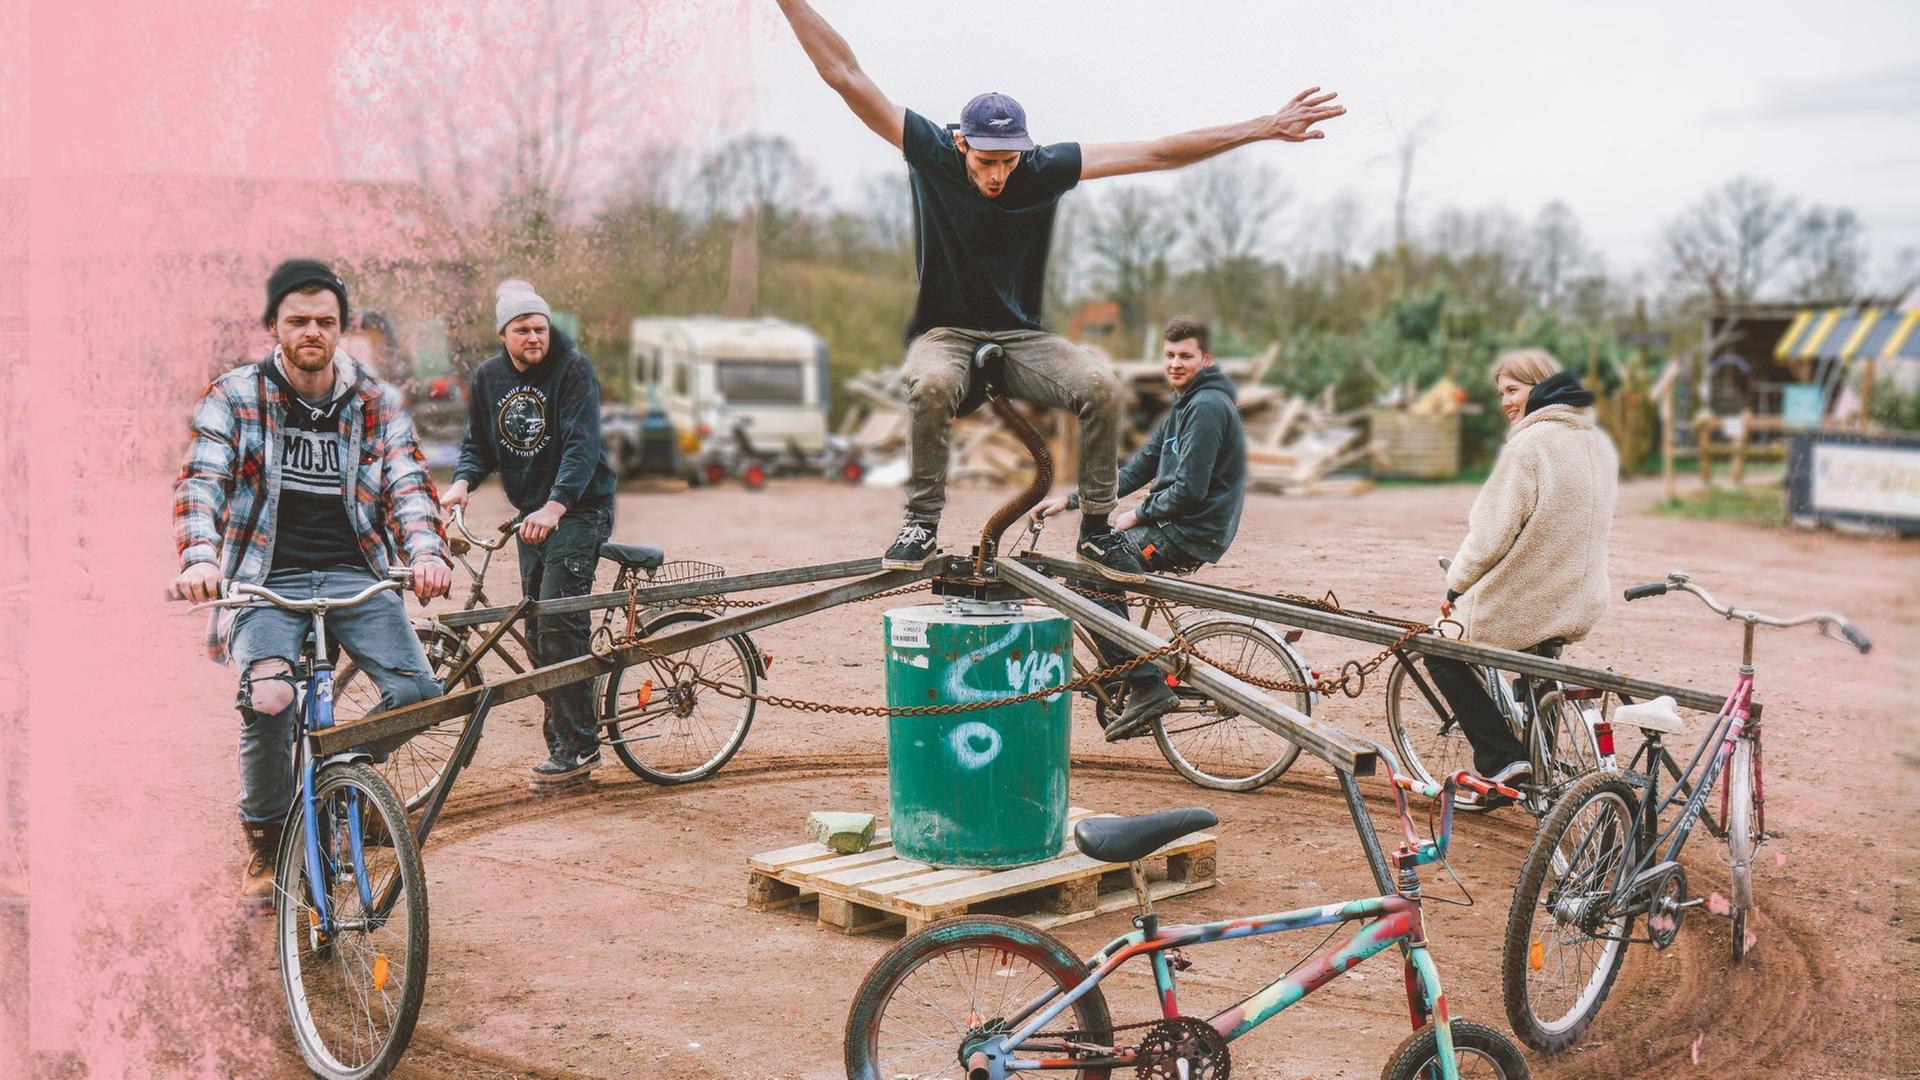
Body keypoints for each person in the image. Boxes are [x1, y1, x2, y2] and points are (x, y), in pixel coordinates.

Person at [773, 0, 1341, 581]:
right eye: (987, 162)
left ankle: (1097, 532)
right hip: (946, 333)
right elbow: (845, 75)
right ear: (962, 145)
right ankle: (921, 521)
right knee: (933, 382)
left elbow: (1158, 152)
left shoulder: (1042, 167)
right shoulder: (929, 150)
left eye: (1009, 162)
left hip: (1021, 337)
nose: (998, 175)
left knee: (1101, 386)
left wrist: (1264, 126)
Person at [170, 259, 454, 911]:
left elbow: (408, 483)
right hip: (265, 576)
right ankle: (269, 841)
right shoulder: (235, 395)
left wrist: (426, 550)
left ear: (341, 330)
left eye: (326, 322)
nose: (312, 332)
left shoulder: (374, 401)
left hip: (357, 573)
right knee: (269, 696)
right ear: (274, 325)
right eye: (298, 320)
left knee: (419, 691)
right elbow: (202, 480)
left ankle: (335, 774)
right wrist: (199, 557)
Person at [1031, 316, 1248, 739]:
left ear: (1206, 359)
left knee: (1090, 577)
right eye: (1169, 356)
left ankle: (1145, 684)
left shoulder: (1206, 408)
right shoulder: (1185, 406)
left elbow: (1189, 490)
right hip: (1177, 523)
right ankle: (1122, 663)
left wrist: (1140, 515)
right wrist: (1071, 501)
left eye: (1186, 356)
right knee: (1096, 566)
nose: (1175, 363)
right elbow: (1136, 468)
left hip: (1187, 530)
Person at [441, 280, 618, 789]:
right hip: (533, 517)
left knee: (561, 624)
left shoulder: (573, 369)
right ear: (504, 333)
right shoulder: (489, 377)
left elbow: (582, 447)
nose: (534, 336)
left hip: (580, 508)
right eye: (523, 329)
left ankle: (580, 748)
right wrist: (460, 484)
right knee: (536, 630)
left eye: (540, 327)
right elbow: (478, 443)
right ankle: (565, 740)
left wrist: (556, 506)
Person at [1429, 348, 1619, 799]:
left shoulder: (1531, 445)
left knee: (1439, 650)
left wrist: (1456, 584)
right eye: (1501, 393)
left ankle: (1504, 759)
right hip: (1578, 599)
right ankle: (1541, 764)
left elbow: (1490, 534)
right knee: (1535, 670)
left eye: (1512, 390)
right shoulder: (1598, 443)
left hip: (1529, 602)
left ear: (1539, 387)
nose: (1505, 402)